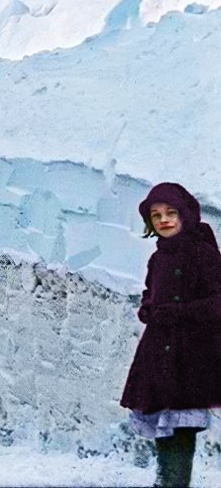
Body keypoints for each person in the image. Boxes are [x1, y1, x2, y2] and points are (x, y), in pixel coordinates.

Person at [121, 183, 221, 487]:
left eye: (171, 212)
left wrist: (178, 313)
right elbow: (152, 293)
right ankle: (165, 481)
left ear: (186, 214)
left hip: (189, 355)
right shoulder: (159, 257)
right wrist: (148, 307)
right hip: (158, 353)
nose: (163, 220)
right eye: (156, 215)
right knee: (163, 424)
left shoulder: (202, 252)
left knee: (181, 427)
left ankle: (175, 483)